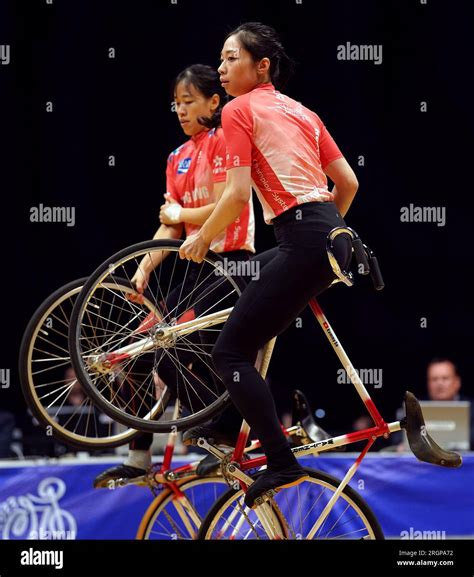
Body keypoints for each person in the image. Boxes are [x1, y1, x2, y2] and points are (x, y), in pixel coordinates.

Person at [179, 22, 359, 507]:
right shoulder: (303, 111)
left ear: (261, 66)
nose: (220, 67)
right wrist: (320, 236)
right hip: (332, 238)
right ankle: (225, 428)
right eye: (219, 59)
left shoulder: (239, 109)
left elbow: (237, 196)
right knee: (233, 291)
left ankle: (281, 461)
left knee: (227, 354)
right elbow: (348, 184)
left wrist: (202, 239)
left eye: (231, 58)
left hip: (304, 238)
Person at [94, 64, 256, 487]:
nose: (180, 111)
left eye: (189, 102)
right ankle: (138, 455)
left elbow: (226, 203)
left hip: (232, 264)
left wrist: (180, 213)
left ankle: (219, 436)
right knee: (131, 354)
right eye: (176, 104)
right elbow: (170, 226)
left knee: (173, 350)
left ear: (213, 101)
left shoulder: (227, 140)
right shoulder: (177, 158)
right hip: (192, 267)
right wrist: (144, 268)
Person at [391, 358, 473, 450]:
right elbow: (397, 437)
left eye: (445, 378)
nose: (439, 383)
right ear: (428, 383)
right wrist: (402, 445)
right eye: (434, 379)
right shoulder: (414, 407)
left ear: (457, 382)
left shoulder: (472, 409)